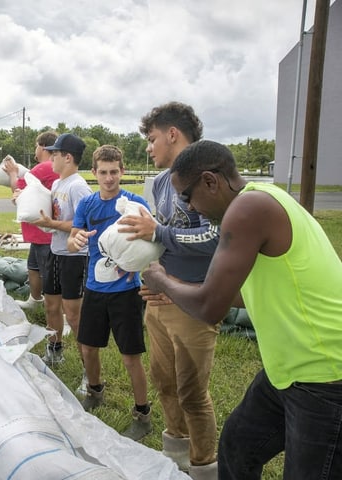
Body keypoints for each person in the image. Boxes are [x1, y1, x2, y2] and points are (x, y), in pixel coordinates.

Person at [142, 139, 342, 480]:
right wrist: (175, 291)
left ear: (210, 181)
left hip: (324, 375)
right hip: (287, 372)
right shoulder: (258, 202)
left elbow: (210, 308)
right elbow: (233, 295)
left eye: (187, 196)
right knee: (236, 447)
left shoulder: (249, 208)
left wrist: (161, 280)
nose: (189, 208)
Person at [118, 102, 219, 479]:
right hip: (160, 299)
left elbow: (216, 237)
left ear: (172, 134)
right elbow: (157, 243)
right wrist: (149, 274)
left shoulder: (210, 175)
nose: (149, 147)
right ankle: (175, 457)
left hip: (195, 302)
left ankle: (204, 465)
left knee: (193, 393)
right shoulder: (160, 183)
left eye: (152, 138)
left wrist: (158, 233)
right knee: (164, 382)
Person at [67, 145, 153, 441]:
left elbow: (151, 245)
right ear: (94, 173)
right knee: (88, 347)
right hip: (94, 288)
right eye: (102, 172)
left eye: (114, 171)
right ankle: (95, 392)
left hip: (126, 291)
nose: (108, 178)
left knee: (131, 357)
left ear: (122, 171)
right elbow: (71, 241)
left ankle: (143, 414)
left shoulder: (135, 203)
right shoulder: (87, 205)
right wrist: (75, 240)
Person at [32, 133, 91, 369]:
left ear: (67, 158)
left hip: (74, 257)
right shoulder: (57, 183)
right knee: (51, 305)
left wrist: (52, 224)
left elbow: (84, 225)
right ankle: (54, 350)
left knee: (74, 316)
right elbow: (52, 213)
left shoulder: (78, 187)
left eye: (54, 154)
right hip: (55, 252)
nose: (50, 158)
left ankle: (90, 369)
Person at [3, 130, 59, 311]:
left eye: (36, 146)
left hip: (43, 233)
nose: (35, 150)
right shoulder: (51, 168)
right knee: (33, 267)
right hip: (39, 233)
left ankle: (60, 312)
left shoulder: (43, 167)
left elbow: (17, 191)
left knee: (48, 274)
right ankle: (35, 300)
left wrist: (12, 173)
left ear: (43, 147)